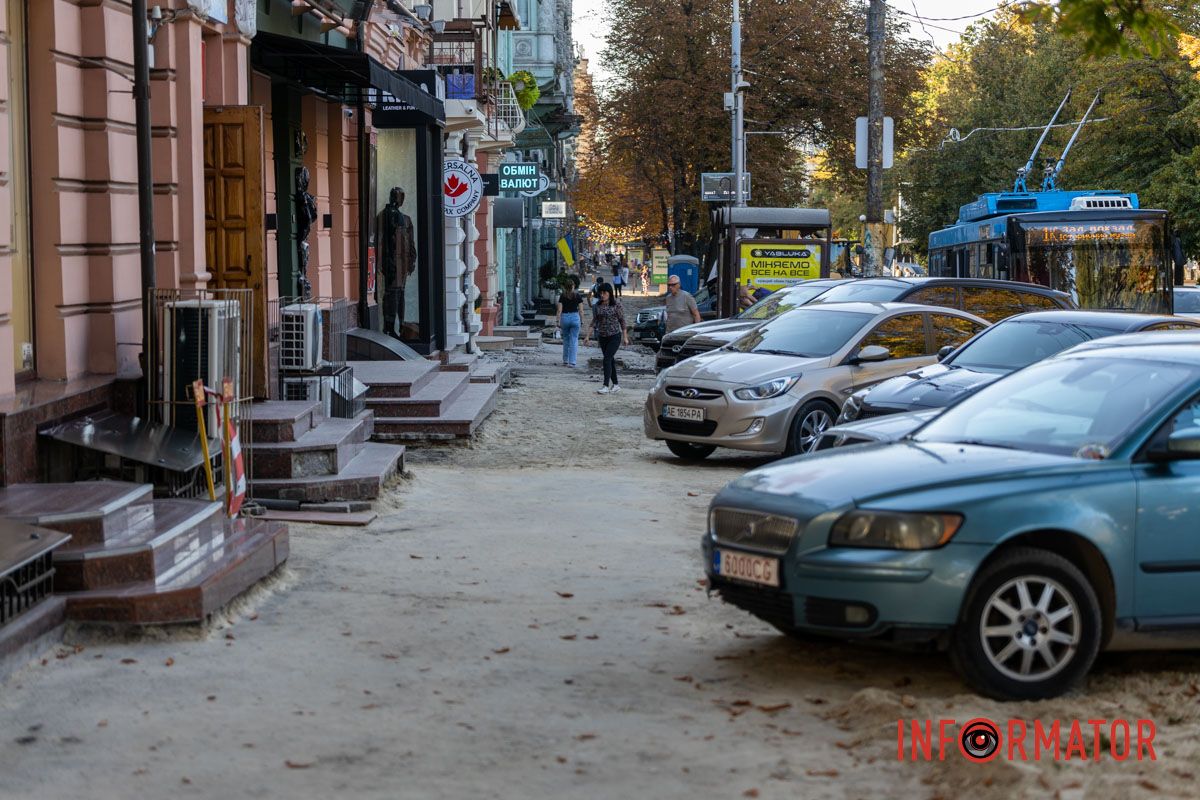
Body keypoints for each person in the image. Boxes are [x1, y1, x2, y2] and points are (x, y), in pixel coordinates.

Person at [584, 283, 629, 394]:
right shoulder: (597, 306)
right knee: (610, 360)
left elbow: (622, 321)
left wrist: (625, 337)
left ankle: (605, 385)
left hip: (614, 336)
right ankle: (616, 385)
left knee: (607, 359)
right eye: (601, 293)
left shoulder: (616, 305)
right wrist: (587, 336)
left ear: (610, 293)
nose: (602, 295)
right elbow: (594, 321)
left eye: (605, 293)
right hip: (602, 337)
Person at [556, 280, 584, 368]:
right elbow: (581, 310)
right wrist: (582, 320)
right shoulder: (577, 296)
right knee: (574, 340)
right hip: (575, 318)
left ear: (565, 287)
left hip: (565, 317)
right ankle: (572, 362)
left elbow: (559, 310)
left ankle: (565, 361)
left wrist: (558, 321)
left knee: (566, 339)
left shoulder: (562, 296)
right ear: (573, 286)